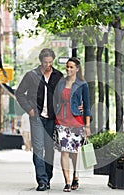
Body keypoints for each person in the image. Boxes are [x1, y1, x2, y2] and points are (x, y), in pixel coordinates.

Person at [15, 48, 63, 191]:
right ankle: (42, 180)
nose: (48, 65)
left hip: (52, 118)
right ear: (40, 61)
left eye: (50, 62)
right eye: (45, 62)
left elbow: (65, 95)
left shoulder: (58, 76)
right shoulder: (31, 75)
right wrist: (30, 110)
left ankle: (48, 176)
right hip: (36, 117)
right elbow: (19, 93)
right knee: (38, 148)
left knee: (49, 150)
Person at [54, 57, 92, 192]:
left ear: (77, 69)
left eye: (71, 67)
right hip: (61, 121)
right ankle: (68, 182)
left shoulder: (82, 85)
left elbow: (87, 107)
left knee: (74, 152)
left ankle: (76, 174)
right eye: (67, 67)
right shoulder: (61, 83)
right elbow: (55, 100)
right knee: (64, 151)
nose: (69, 69)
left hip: (76, 122)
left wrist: (87, 126)